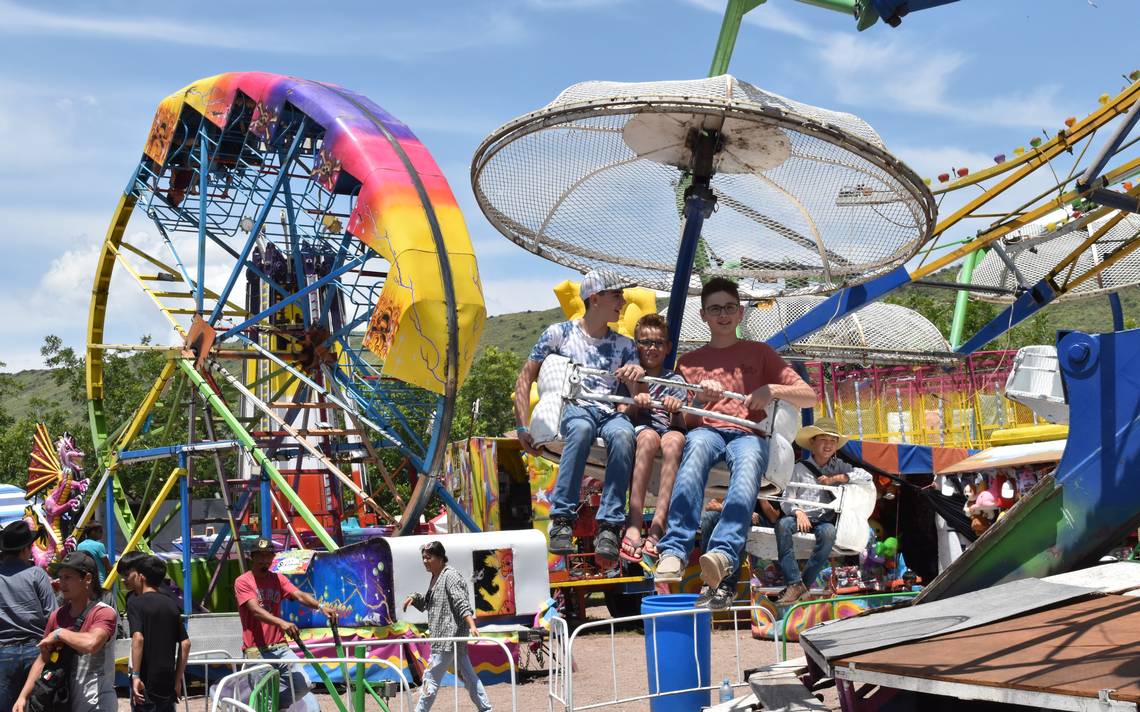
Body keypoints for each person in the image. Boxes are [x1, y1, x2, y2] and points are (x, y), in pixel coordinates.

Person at [653, 277, 816, 607]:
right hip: (709, 430)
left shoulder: (761, 353)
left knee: (750, 464)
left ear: (740, 313)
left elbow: (808, 395)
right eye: (715, 309)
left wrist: (771, 390)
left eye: (729, 308)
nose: (723, 315)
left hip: (747, 432)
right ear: (703, 316)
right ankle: (674, 549)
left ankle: (724, 553)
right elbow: (687, 420)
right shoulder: (689, 362)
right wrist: (698, 400)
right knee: (695, 447)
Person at [514, 268, 645, 560]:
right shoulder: (558, 334)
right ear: (595, 298)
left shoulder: (625, 346)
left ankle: (610, 524)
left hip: (609, 413)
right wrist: (522, 427)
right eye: (616, 295)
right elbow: (525, 378)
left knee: (624, 435)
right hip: (575, 409)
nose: (622, 301)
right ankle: (561, 519)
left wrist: (635, 378)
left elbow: (635, 398)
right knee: (582, 428)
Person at [774, 417, 872, 605]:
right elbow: (787, 498)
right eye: (824, 440)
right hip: (800, 518)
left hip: (824, 520)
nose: (828, 445)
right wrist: (798, 512)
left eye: (833, 441)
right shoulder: (798, 468)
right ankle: (794, 581)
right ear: (813, 442)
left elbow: (866, 477)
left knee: (829, 533)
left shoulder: (840, 466)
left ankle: (801, 585)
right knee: (783, 525)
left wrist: (837, 478)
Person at [234, 538, 338, 712]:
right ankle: (268, 707)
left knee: (303, 684)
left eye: (268, 556)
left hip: (280, 647)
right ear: (253, 557)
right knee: (263, 697)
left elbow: (299, 595)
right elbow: (255, 610)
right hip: (256, 650)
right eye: (260, 556)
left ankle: (276, 707)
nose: (264, 560)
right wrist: (282, 622)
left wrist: (321, 607)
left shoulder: (277, 579)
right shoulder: (243, 581)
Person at [616, 313, 687, 562]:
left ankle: (658, 525)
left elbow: (679, 426)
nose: (652, 348)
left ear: (667, 347)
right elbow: (622, 414)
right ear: (637, 345)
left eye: (657, 343)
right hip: (642, 429)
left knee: (675, 440)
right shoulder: (629, 376)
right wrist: (637, 403)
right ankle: (634, 524)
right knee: (647, 438)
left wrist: (675, 410)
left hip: (666, 429)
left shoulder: (675, 380)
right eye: (645, 342)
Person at [14, 550, 119, 712]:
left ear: (88, 579)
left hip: (97, 704)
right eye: (61, 577)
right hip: (63, 702)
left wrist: (59, 633)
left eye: (68, 577)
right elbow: (42, 660)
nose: (62, 583)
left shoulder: (103, 613)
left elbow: (92, 643)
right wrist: (23, 696)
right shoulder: (57, 616)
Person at [402, 541, 491, 712]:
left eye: (429, 557)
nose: (425, 561)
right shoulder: (436, 576)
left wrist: (472, 625)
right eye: (423, 558)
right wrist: (414, 598)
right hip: (449, 638)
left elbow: (461, 602)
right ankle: (486, 709)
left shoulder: (450, 576)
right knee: (470, 677)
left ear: (441, 558)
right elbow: (430, 603)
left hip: (448, 638)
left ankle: (420, 711)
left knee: (431, 677)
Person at [0, 520, 57, 711]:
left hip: (3, 652)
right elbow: (52, 615)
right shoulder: (36, 574)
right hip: (37, 651)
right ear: (25, 549)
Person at [122, 555, 190, 712]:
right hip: (168, 682)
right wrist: (178, 679)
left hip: (146, 681)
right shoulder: (171, 604)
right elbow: (185, 643)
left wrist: (136, 676)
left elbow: (138, 638)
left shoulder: (135, 603)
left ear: (141, 576)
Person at [696, 496, 781, 610]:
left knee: (741, 524)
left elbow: (773, 517)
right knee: (708, 519)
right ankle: (710, 578)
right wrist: (739, 511)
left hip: (757, 520)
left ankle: (728, 586)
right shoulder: (736, 482)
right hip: (733, 514)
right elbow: (710, 506)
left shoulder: (771, 485)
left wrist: (760, 494)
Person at [75, 521, 111, 589]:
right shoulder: (99, 546)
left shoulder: (79, 546)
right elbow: (106, 564)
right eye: (100, 531)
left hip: (85, 581)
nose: (102, 533)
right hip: (99, 581)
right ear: (93, 532)